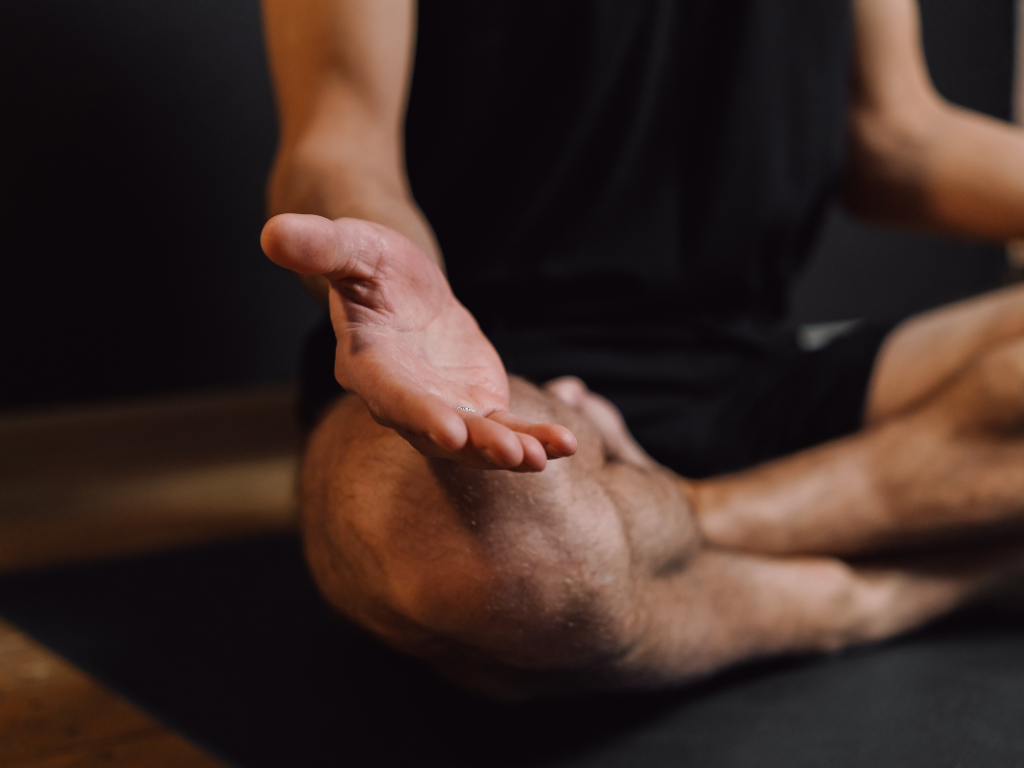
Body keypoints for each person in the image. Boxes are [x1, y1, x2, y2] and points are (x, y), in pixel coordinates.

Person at [259, 0, 1024, 699]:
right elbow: (339, 145)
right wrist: (401, 273)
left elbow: (895, 139)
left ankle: (693, 518)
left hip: (753, 366)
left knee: (576, 579)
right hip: (486, 371)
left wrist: (678, 521)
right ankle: (883, 594)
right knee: (511, 568)